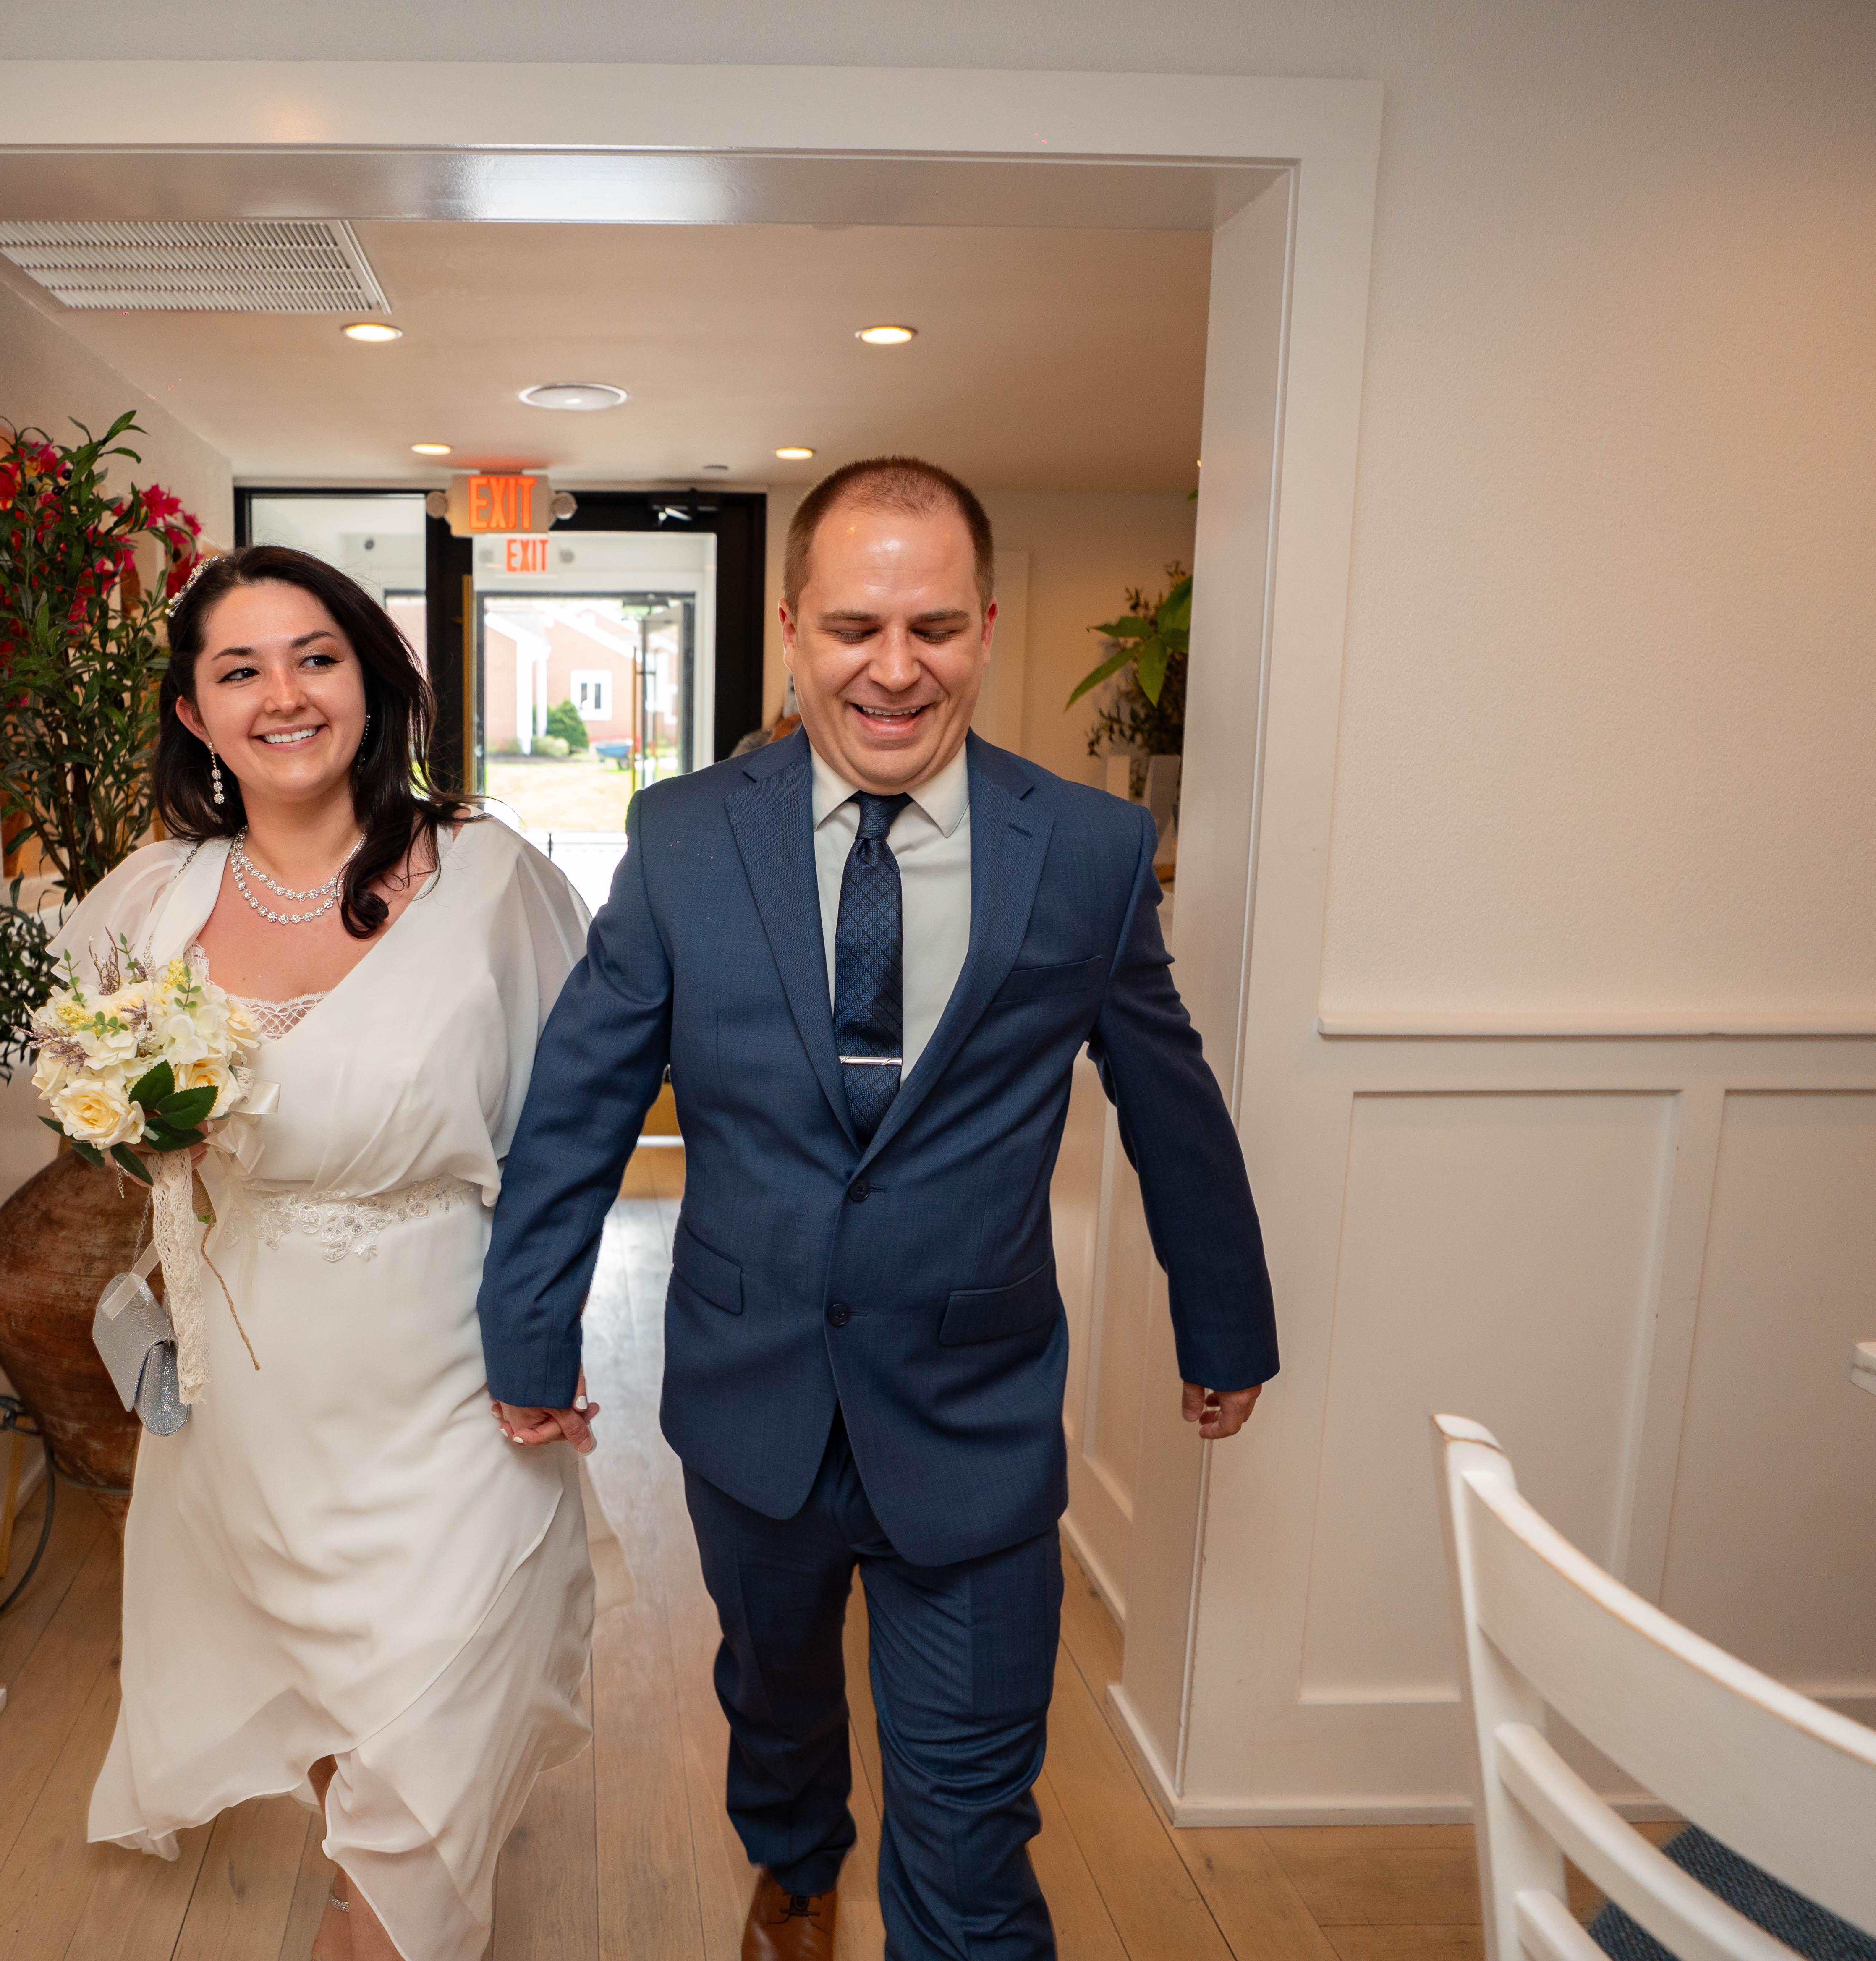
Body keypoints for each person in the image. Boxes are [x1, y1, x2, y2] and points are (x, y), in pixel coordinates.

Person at [477, 459, 1278, 1961]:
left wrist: (1224, 1319)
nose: (895, 670)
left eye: (933, 628)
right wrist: (531, 1335)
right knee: (777, 1709)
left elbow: (1172, 1101)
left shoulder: (1087, 853)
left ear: (987, 627)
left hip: (975, 1415)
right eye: (854, 627)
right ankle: (794, 1865)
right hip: (750, 1397)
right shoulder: (684, 836)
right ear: (792, 628)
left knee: (971, 1840)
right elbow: (580, 1106)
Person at [65, 544, 606, 1961]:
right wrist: (138, 1132)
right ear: (195, 713)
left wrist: (549, 1335)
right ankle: (359, 1876)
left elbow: (569, 1134)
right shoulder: (150, 902)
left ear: (372, 680)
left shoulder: (490, 880)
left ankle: (378, 1916)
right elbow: (92, 1100)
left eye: (316, 657)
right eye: (240, 670)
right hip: (251, 1377)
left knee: (441, 1672)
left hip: (451, 1360)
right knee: (309, 1662)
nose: (285, 695)